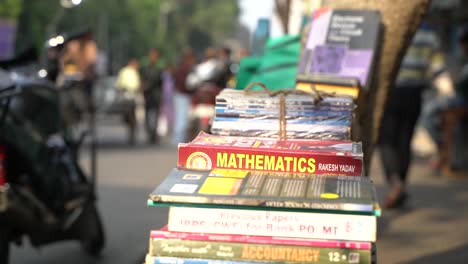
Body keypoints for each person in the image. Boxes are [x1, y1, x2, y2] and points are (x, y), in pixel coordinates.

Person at [378, 23, 445, 209]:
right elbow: (437, 69)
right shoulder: (430, 36)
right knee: (404, 140)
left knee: (386, 140)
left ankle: (395, 182)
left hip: (392, 92)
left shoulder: (392, 28)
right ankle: (402, 185)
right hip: (415, 93)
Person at [421, 28, 468, 170]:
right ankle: (443, 153)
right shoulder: (463, 60)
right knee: (437, 117)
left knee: (429, 112)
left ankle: (443, 151)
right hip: (459, 98)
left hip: (462, 100)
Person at [172, 48, 196, 145]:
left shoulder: (180, 67)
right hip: (183, 95)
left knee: (180, 118)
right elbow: (187, 84)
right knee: (182, 119)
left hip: (179, 95)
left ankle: (178, 139)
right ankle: (178, 140)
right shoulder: (186, 68)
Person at [140, 48, 163, 144]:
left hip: (156, 95)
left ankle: (154, 134)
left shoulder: (159, 67)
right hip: (147, 95)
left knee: (156, 116)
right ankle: (149, 133)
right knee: (147, 115)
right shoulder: (144, 66)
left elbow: (160, 80)